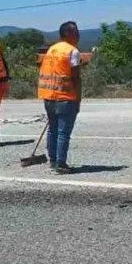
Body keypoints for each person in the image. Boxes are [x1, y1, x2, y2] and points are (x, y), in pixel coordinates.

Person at [37, 21, 83, 174]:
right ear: (66, 34)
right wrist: (78, 99)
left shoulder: (52, 49)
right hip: (65, 97)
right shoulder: (72, 51)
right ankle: (61, 163)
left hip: (49, 96)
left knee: (53, 130)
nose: (78, 35)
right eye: (75, 32)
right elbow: (76, 78)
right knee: (63, 132)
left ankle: (53, 161)